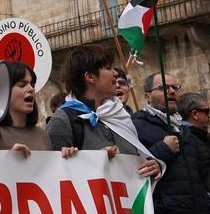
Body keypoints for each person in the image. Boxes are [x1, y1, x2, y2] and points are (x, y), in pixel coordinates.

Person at [45, 45, 161, 179]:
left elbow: (136, 166)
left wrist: (151, 167)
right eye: (108, 68)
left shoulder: (120, 115)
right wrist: (96, 161)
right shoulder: (63, 121)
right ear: (90, 77)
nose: (115, 73)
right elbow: (54, 181)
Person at [133, 72, 210, 214]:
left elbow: (201, 171)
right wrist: (164, 150)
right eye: (163, 88)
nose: (171, 91)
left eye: (174, 87)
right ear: (147, 96)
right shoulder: (137, 126)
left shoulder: (184, 130)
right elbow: (137, 169)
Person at [0, 61, 71, 158]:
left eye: (32, 84)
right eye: (22, 85)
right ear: (4, 92)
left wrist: (66, 157)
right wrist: (8, 160)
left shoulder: (42, 135)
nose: (31, 89)